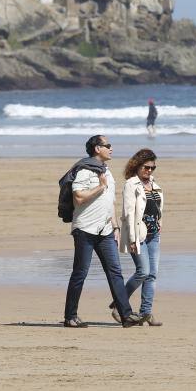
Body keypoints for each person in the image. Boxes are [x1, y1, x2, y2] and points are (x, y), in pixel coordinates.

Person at [63, 135, 143, 328]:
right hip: (85, 229)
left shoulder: (106, 171)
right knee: (80, 273)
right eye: (107, 145)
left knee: (115, 272)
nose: (111, 148)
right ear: (97, 149)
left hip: (106, 230)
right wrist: (100, 187)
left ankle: (126, 316)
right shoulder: (84, 170)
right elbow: (79, 198)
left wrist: (115, 226)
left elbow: (110, 203)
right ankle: (70, 317)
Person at [109, 148, 164, 326]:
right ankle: (120, 303)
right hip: (138, 235)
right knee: (143, 272)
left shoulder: (154, 184)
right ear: (137, 166)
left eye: (152, 168)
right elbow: (129, 213)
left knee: (152, 275)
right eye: (146, 167)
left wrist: (160, 222)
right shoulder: (131, 184)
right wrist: (132, 239)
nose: (149, 171)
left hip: (154, 235)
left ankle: (145, 313)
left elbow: (157, 207)